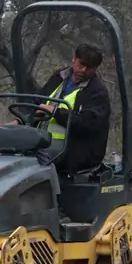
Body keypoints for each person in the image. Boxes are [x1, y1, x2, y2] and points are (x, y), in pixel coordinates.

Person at [21, 43, 112, 174]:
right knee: (10, 150)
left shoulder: (97, 92)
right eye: (81, 64)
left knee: (36, 160)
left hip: (74, 148)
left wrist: (55, 112)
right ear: (74, 59)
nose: (83, 70)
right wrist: (20, 121)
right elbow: (38, 102)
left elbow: (87, 124)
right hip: (42, 140)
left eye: (89, 68)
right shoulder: (59, 77)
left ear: (95, 68)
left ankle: (44, 193)